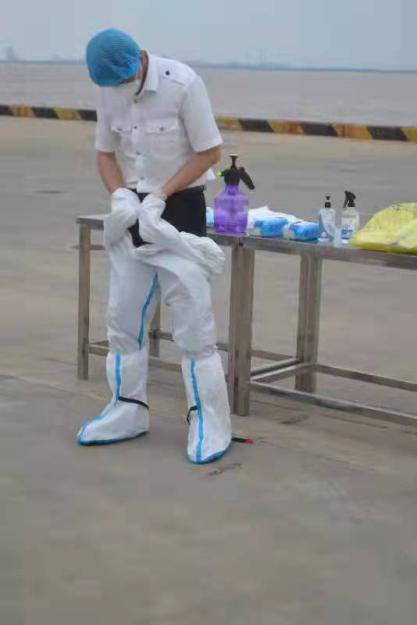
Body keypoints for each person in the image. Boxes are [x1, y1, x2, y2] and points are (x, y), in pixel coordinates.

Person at [78, 28, 232, 464]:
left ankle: (209, 420)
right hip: (134, 210)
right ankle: (127, 409)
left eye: (123, 80)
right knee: (123, 316)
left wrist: (163, 193)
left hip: (179, 207)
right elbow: (105, 154)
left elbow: (210, 152)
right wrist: (119, 195)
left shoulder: (182, 83)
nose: (120, 88)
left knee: (192, 322)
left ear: (138, 61)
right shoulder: (110, 90)